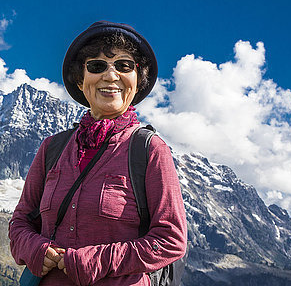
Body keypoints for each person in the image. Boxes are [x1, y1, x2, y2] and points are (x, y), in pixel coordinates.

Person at [9, 21, 187, 285]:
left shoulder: (149, 150)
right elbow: (20, 223)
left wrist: (96, 261)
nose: (111, 75)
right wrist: (34, 250)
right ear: (80, 81)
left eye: (124, 66)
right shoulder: (52, 148)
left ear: (138, 81)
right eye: (97, 66)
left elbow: (170, 239)